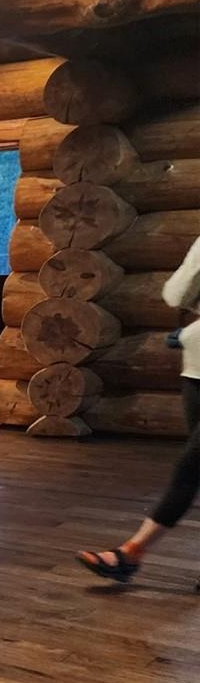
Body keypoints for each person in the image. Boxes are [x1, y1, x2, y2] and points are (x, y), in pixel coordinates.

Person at [76, 236, 200, 587]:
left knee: (189, 468)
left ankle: (131, 553)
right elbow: (176, 296)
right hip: (196, 370)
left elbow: (178, 296)